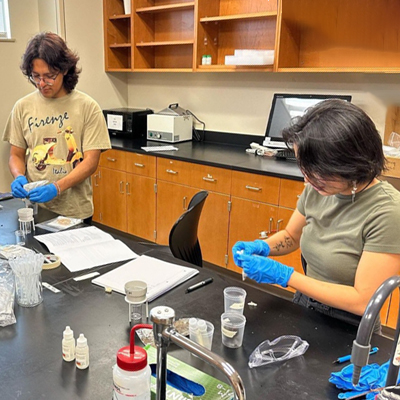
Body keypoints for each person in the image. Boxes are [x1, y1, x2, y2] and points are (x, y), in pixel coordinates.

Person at [233, 99, 400, 330]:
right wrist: (262, 247)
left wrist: (285, 276)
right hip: (305, 304)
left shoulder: (388, 213)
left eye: (317, 172)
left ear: (350, 165)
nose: (307, 181)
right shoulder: (318, 188)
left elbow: (363, 301)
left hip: (349, 325)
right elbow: (292, 236)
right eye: (305, 169)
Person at [2, 32, 111, 223]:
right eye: (36, 76)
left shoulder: (88, 107)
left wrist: (57, 187)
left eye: (49, 76)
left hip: (74, 212)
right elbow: (16, 154)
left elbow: (90, 162)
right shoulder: (22, 107)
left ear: (65, 70)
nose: (42, 83)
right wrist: (18, 176)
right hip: (35, 209)